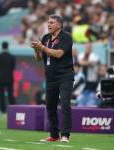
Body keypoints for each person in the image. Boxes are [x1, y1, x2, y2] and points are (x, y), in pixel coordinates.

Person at [31, 14, 74, 143]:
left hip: (65, 76)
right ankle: (54, 135)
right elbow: (39, 59)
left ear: (59, 25)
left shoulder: (66, 37)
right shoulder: (45, 38)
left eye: (52, 22)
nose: (48, 25)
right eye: (48, 22)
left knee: (65, 104)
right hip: (50, 77)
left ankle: (65, 135)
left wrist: (42, 47)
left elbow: (59, 54)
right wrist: (37, 50)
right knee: (50, 106)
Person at [0, 41, 16, 113]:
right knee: (10, 94)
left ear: (2, 47)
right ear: (7, 46)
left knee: (1, 94)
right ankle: (14, 109)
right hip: (9, 77)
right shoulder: (12, 57)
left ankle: (3, 110)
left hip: (0, 77)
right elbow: (13, 68)